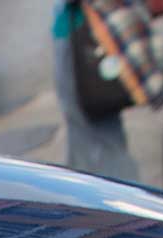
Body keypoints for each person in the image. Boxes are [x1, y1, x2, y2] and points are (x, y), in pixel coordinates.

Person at [50, 1, 138, 180]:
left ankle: (120, 197)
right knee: (85, 133)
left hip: (85, 34)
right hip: (76, 30)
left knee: (101, 134)